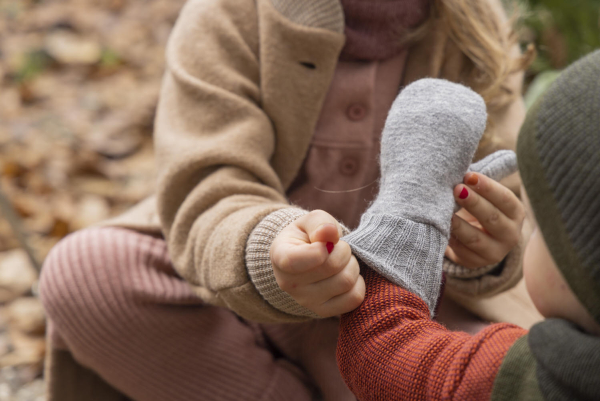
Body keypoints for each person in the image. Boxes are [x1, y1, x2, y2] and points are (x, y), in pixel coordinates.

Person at [38, 0, 533, 400]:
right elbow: (209, 185)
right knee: (89, 275)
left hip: (413, 312)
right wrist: (271, 251)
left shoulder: (474, 25)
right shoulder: (228, 14)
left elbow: (509, 195)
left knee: (522, 365)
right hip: (239, 299)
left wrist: (486, 252)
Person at [336, 49, 600, 400]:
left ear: (583, 268)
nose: (529, 235)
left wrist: (407, 216)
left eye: (540, 228)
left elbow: (381, 352)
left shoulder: (547, 380)